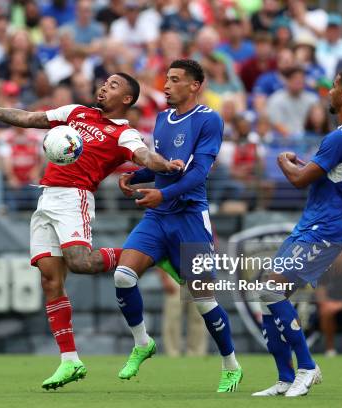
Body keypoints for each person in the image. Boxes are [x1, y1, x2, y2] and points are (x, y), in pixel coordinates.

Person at [0, 72, 182, 390]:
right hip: (46, 196)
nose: (104, 86)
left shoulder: (122, 133)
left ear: (127, 100)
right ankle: (70, 360)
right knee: (50, 279)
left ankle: (151, 256)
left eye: (114, 85)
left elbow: (144, 155)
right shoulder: (75, 112)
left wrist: (163, 165)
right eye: (105, 82)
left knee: (80, 261)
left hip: (75, 197)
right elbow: (26, 117)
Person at [116, 59, 243, 392]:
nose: (166, 85)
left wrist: (161, 193)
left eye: (174, 80)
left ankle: (230, 364)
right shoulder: (162, 118)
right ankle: (142, 343)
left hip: (189, 216)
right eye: (166, 78)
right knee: (123, 275)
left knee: (203, 301)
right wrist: (136, 176)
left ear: (194, 85)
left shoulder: (209, 120)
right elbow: (163, 166)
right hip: (159, 217)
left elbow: (198, 173)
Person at [253, 68, 342, 397]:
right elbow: (328, 173)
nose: (329, 92)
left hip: (323, 229)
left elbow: (298, 179)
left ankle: (307, 367)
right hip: (315, 225)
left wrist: (284, 161)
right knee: (267, 296)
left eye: (334, 87)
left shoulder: (341, 136)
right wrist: (303, 163)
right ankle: (284, 377)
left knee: (270, 289)